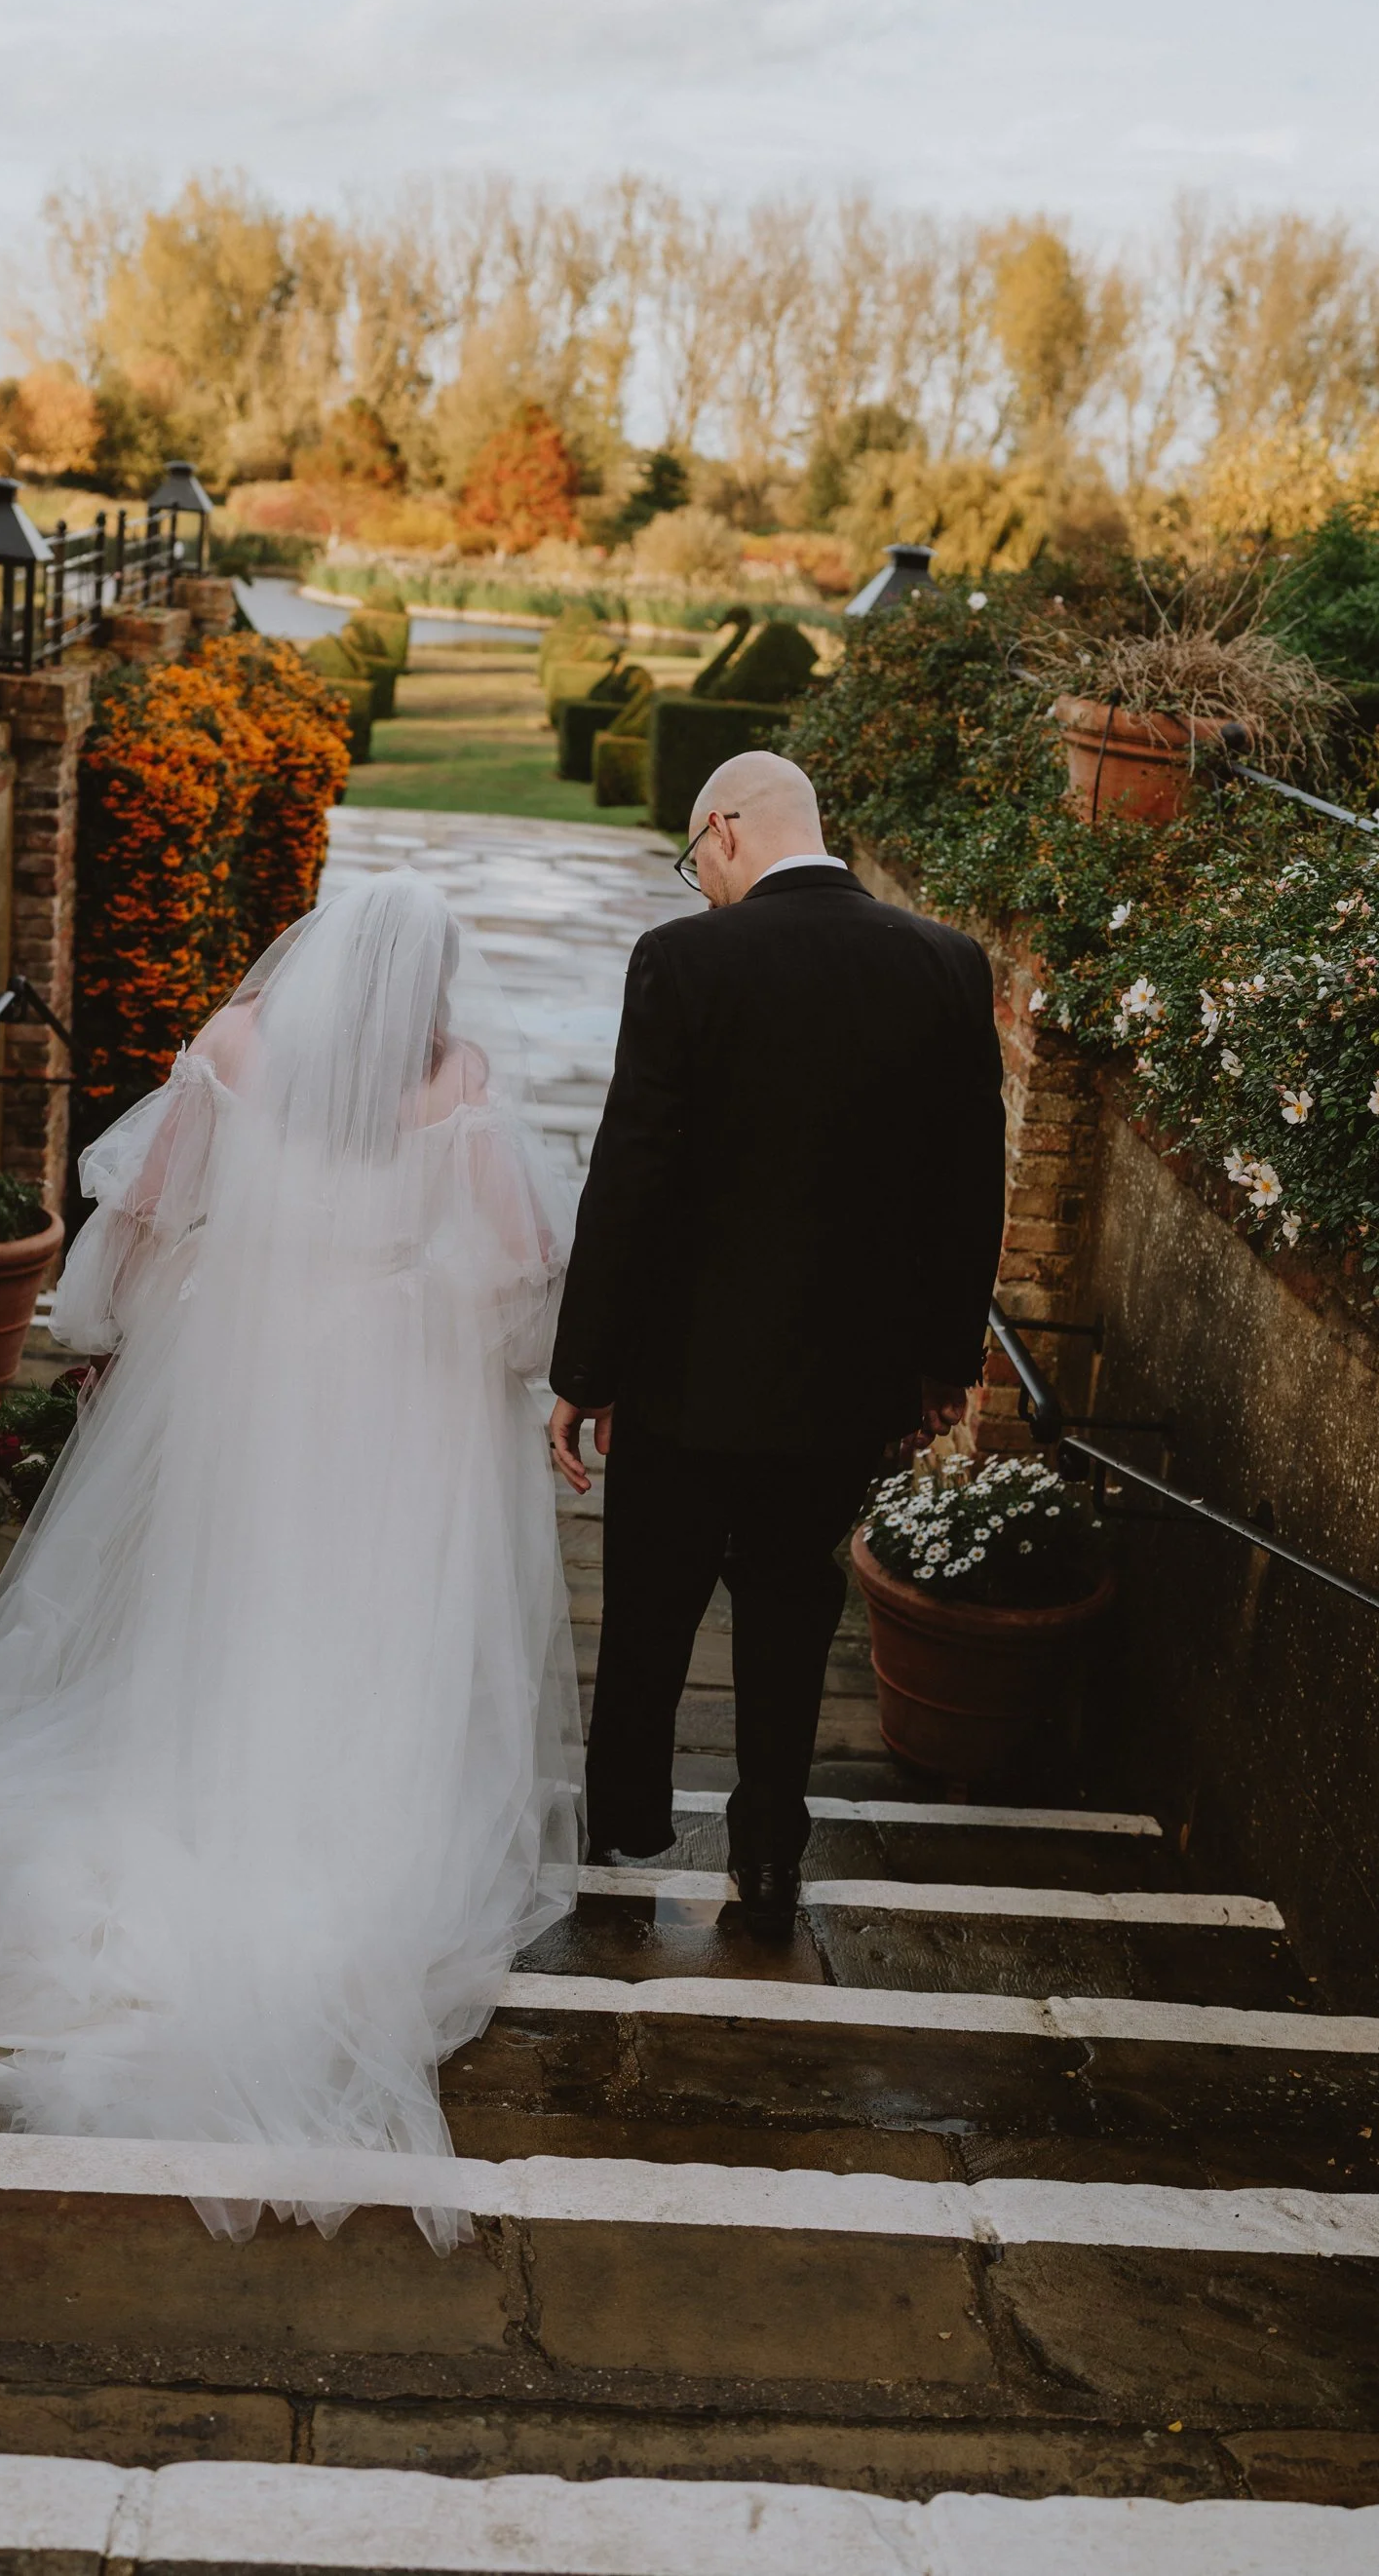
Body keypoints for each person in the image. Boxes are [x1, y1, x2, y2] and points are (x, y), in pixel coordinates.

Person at [0, 869, 581, 2252]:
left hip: (247, 1373)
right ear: (432, 978)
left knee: (224, 1591)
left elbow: (140, 1207)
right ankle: (328, 1795)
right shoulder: (457, 1080)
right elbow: (519, 1257)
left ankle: (199, 1765)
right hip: (386, 1393)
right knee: (360, 1611)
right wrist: (438, 1308)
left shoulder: (242, 1045)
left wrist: (122, 1329)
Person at [549, 750, 1006, 1939]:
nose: (696, 880)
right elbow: (971, 1191)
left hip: (686, 1380)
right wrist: (944, 1367)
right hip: (843, 1388)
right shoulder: (948, 966)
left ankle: (622, 1835)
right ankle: (765, 1850)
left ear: (728, 831)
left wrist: (582, 1372)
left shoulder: (685, 960)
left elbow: (633, 1174)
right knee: (794, 1612)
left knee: (650, 1610)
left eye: (694, 857)